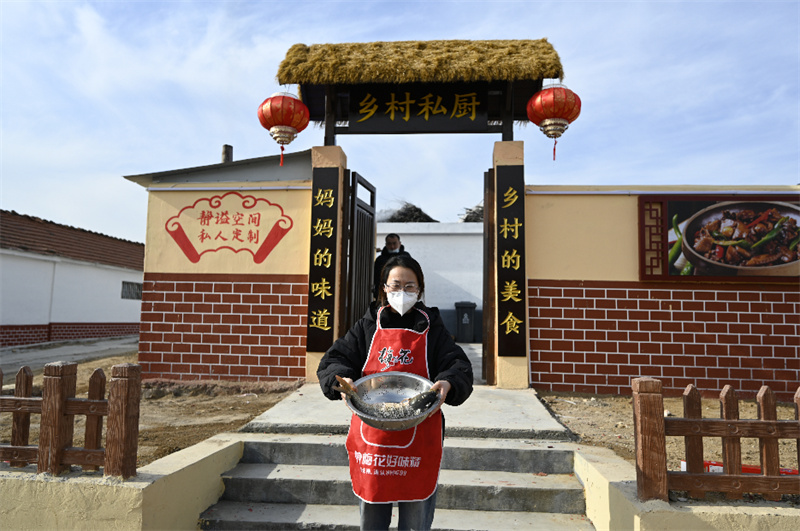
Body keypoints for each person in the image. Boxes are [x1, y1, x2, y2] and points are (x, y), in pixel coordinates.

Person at [318, 255, 473, 531]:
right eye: (396, 285)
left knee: (415, 517)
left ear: (420, 290)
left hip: (420, 435)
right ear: (384, 288)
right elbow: (334, 361)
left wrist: (448, 383)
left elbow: (458, 365)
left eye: (410, 286)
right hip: (373, 439)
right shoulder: (368, 324)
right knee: (372, 517)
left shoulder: (432, 327)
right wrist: (342, 380)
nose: (402, 292)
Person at [373, 233, 411, 300]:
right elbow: (376, 277)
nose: (392, 246)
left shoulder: (406, 257)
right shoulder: (380, 260)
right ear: (386, 244)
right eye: (389, 244)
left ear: (399, 243)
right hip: (384, 293)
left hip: (402, 292)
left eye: (394, 243)